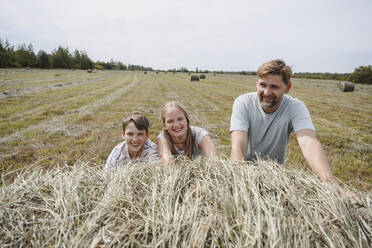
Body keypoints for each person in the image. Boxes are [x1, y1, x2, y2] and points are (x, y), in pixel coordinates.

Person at [230, 59, 351, 198]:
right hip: (245, 169)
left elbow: (308, 142)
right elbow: (238, 143)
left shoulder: (295, 107)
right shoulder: (243, 103)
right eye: (263, 85)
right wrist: (240, 177)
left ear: (287, 88)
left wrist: (330, 182)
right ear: (257, 84)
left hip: (275, 176)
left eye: (274, 87)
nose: (267, 92)